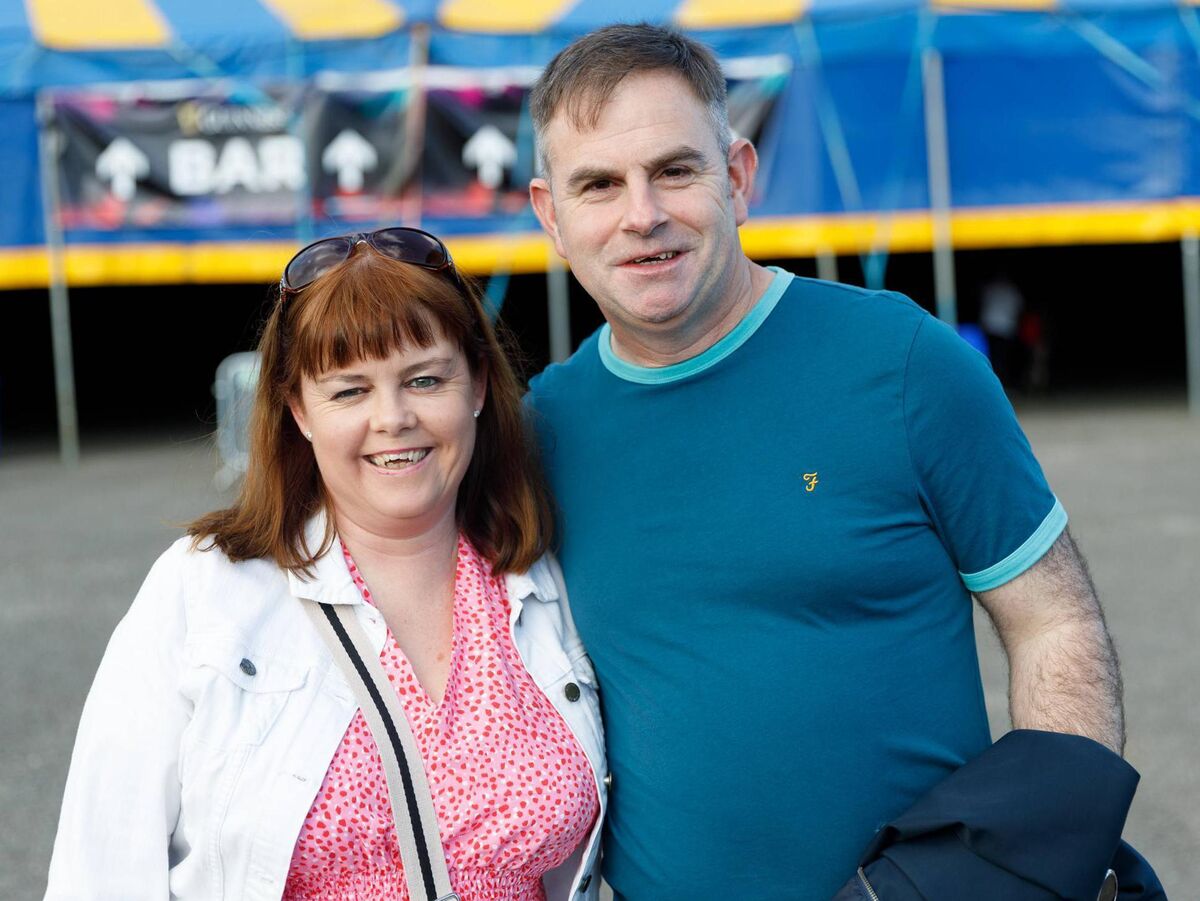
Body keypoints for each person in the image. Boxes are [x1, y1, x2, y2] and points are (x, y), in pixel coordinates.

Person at [525, 24, 1124, 901]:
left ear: (737, 175)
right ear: (551, 214)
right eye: (600, 184)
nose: (641, 214)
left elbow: (1054, 623)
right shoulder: (541, 428)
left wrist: (1051, 853)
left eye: (675, 170)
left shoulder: (904, 362)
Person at [45, 228, 606, 900]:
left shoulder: (549, 578)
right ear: (297, 409)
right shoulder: (202, 591)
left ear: (479, 385)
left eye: (425, 379)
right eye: (349, 391)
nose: (393, 417)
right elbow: (99, 875)